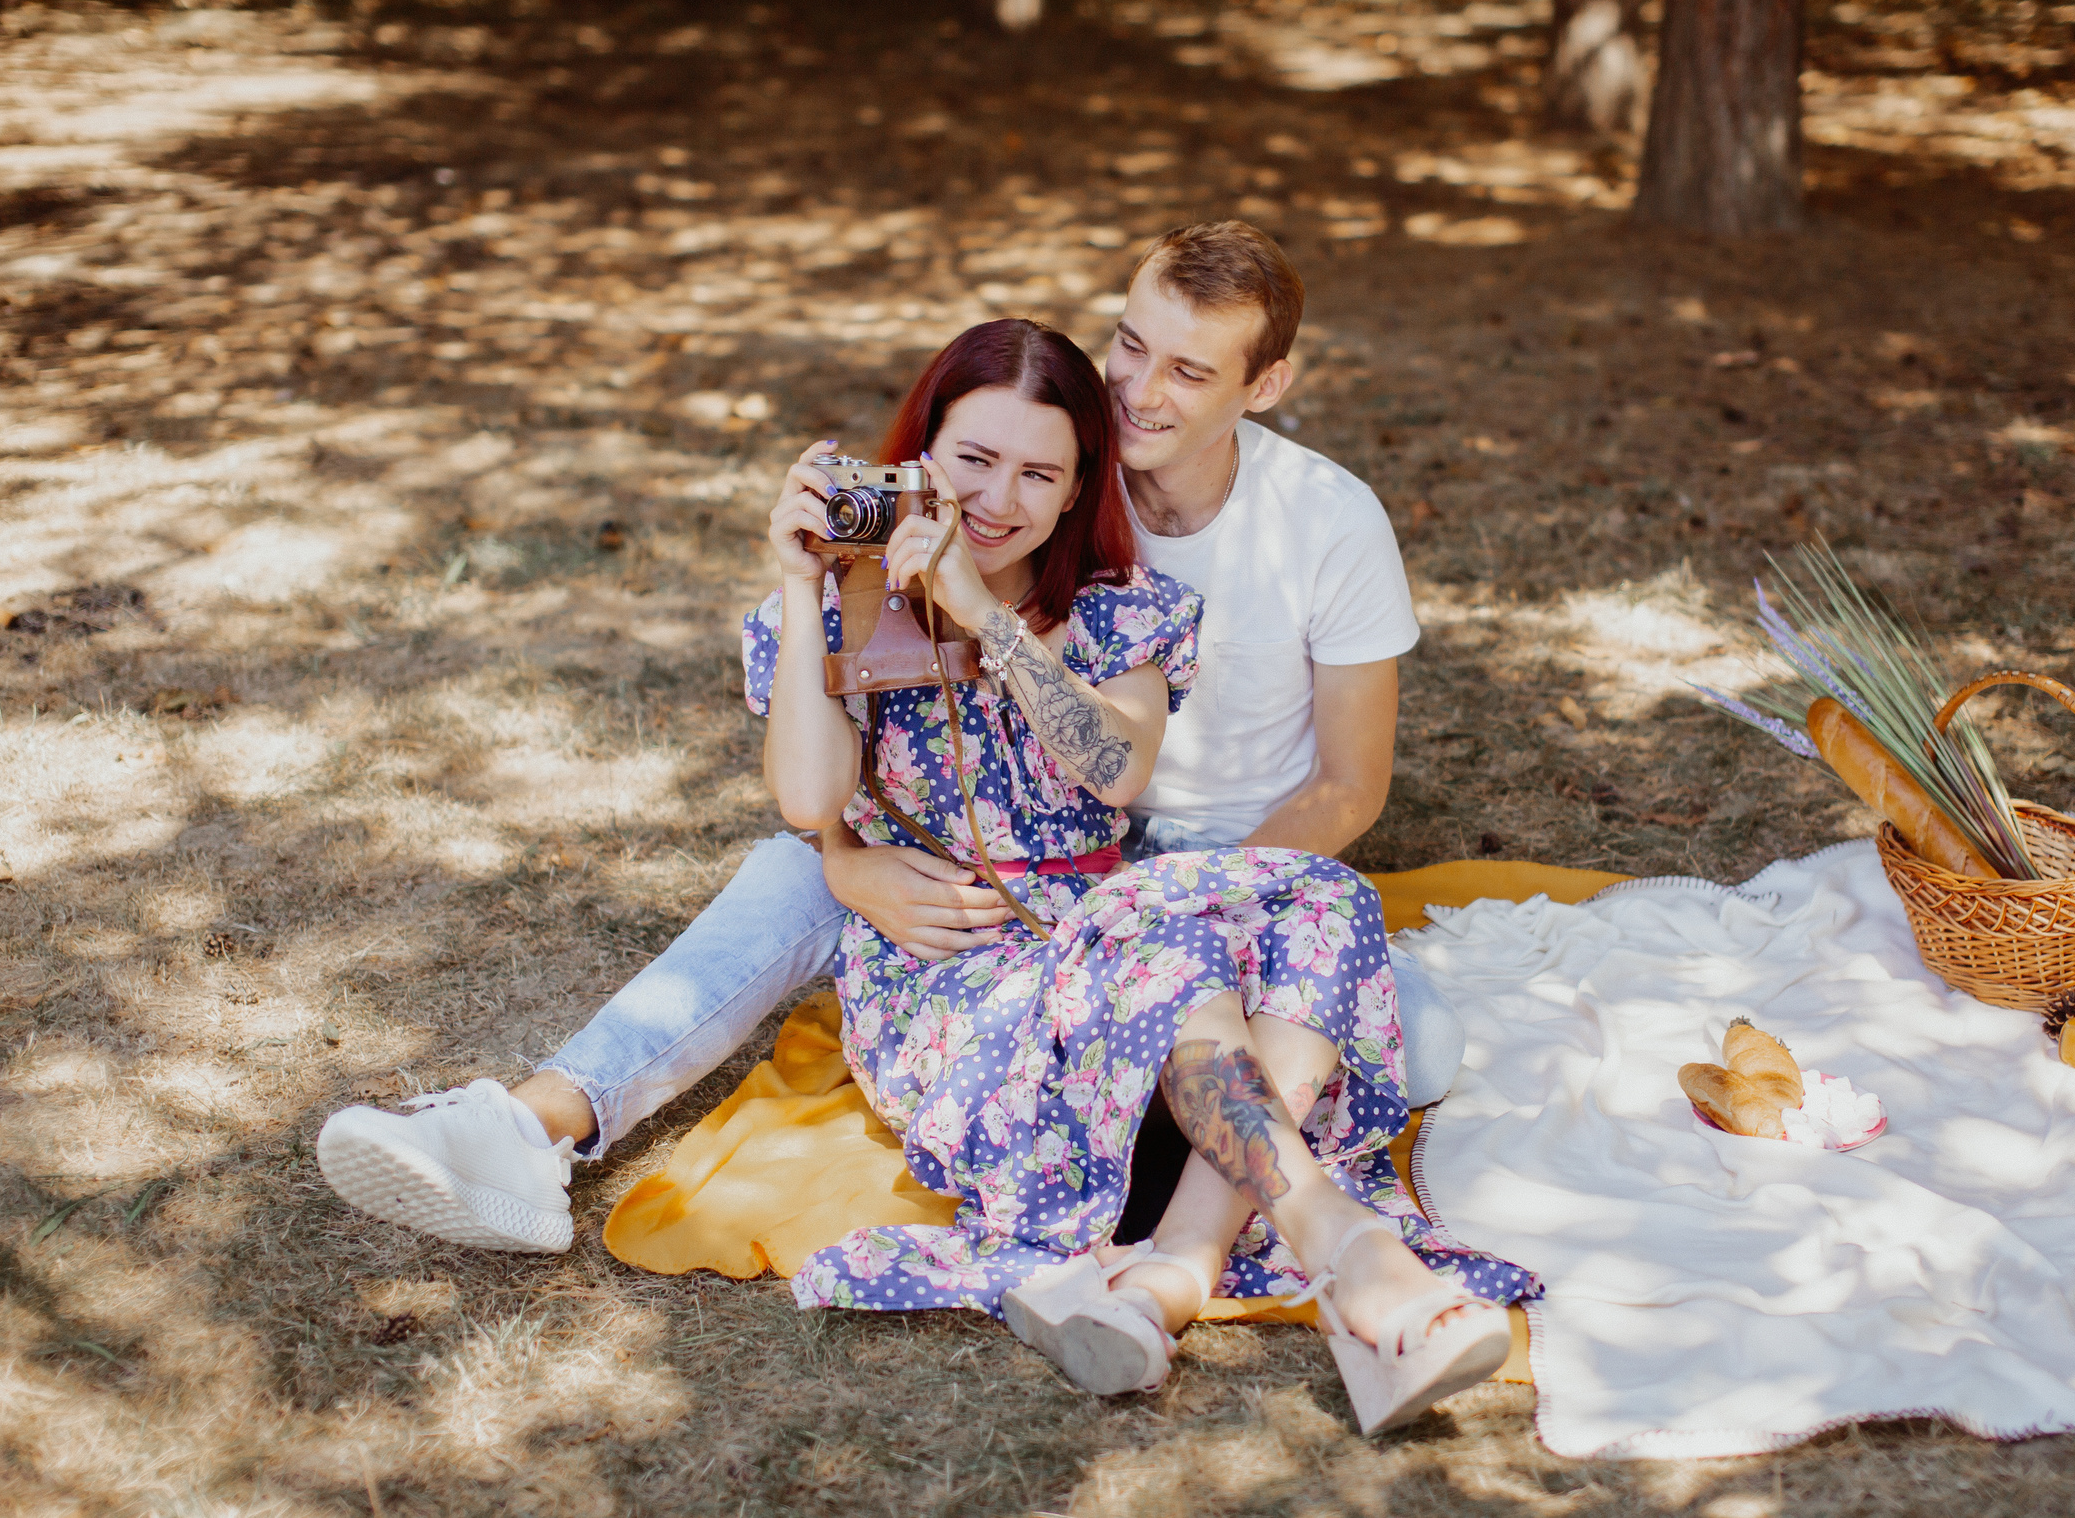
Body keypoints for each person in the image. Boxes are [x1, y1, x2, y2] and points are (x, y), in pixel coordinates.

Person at [312, 221, 1460, 1258]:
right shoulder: (1009, 475)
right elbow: (816, 795)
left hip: (1191, 871)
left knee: (1420, 1042)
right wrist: (842, 844)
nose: (1138, 392)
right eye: (1129, 347)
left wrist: (1172, 914)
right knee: (794, 865)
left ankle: (1203, 1185)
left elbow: (1321, 784)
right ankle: (530, 1122)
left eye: (1188, 372)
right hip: (975, 889)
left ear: (1263, 387)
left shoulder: (1287, 532)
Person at [738, 319, 1535, 1429]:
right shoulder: (842, 608)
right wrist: (798, 581)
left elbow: (1115, 769)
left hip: (1126, 947)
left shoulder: (1121, 611)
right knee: (1161, 941)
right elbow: (808, 801)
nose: (997, 500)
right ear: (920, 456)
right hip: (962, 986)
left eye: (1038, 474)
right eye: (973, 460)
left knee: (1321, 894)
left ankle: (1174, 1274)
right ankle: (1347, 1255)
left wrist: (984, 615)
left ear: (1079, 490)